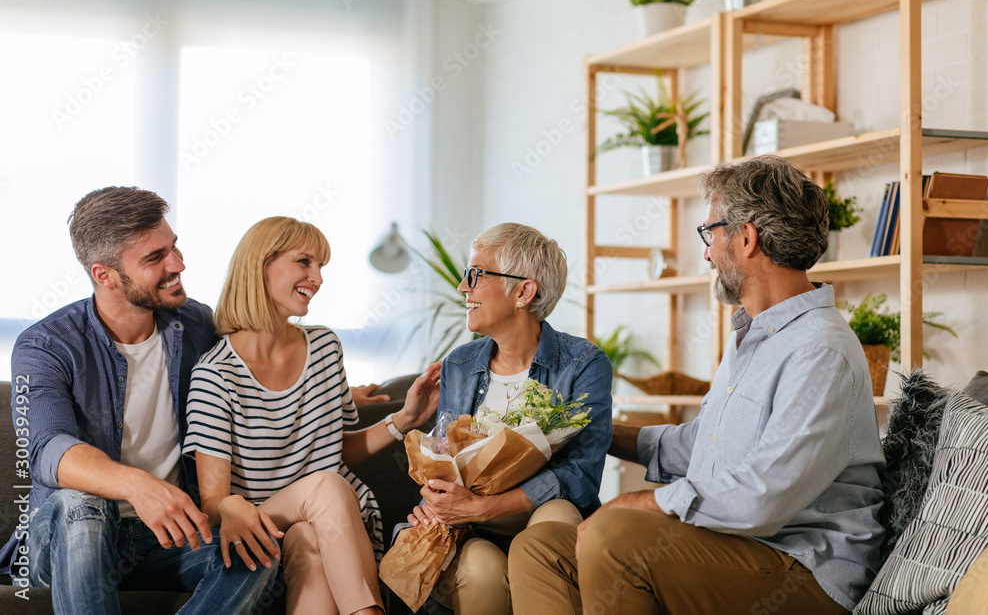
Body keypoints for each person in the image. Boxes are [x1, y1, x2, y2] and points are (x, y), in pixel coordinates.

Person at [509, 156, 886, 614]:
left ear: (746, 238)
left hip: (801, 568)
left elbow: (765, 495)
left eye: (710, 233)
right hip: (736, 545)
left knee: (614, 536)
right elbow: (705, 445)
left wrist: (644, 502)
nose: (706, 252)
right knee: (541, 546)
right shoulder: (753, 334)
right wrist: (597, 431)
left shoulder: (820, 350)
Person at [1, 187, 278, 614]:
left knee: (253, 550)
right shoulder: (45, 345)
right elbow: (48, 450)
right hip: (72, 537)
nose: (178, 265)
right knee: (81, 503)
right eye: (155, 258)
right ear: (104, 275)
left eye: (174, 247)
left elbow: (250, 371)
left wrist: (348, 393)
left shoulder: (196, 325)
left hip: (166, 538)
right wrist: (140, 486)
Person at [183, 216, 440, 615]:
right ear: (261, 266)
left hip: (327, 525)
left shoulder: (324, 347)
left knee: (310, 532)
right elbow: (215, 501)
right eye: (305, 262)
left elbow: (338, 451)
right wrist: (230, 507)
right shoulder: (215, 375)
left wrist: (405, 419)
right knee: (327, 487)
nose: (317, 278)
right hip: (260, 527)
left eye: (321, 266)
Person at [407, 223, 613, 614]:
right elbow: (446, 457)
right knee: (481, 570)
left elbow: (580, 478)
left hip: (543, 512)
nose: (462, 287)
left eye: (475, 275)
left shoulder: (583, 364)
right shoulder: (459, 364)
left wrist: (484, 507)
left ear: (523, 291)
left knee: (551, 522)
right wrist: (436, 499)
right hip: (475, 530)